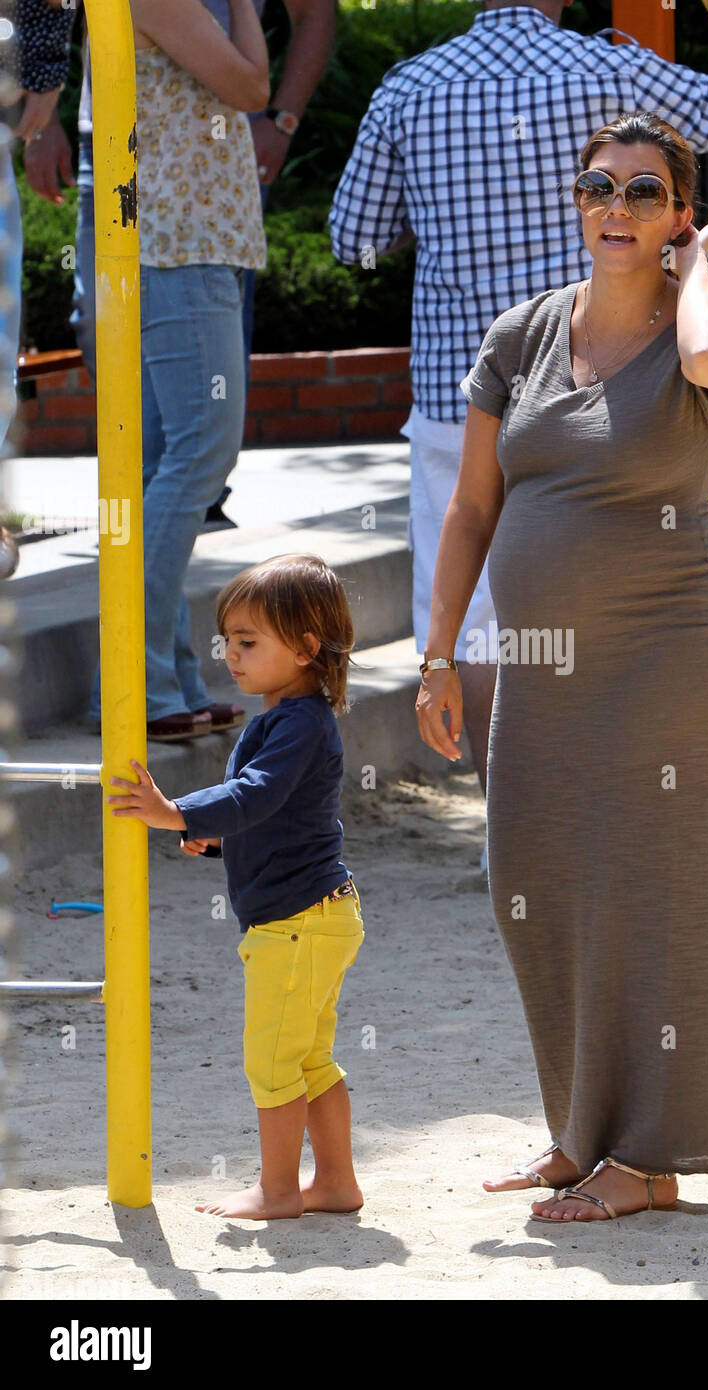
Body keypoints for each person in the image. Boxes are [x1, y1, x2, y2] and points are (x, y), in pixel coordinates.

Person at [331, 0, 708, 806]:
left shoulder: (407, 86)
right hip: (601, 391)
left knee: (478, 625)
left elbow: (354, 237)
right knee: (607, 610)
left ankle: (509, 813)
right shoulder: (612, 69)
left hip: (466, 379)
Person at [416, 112, 708, 1221]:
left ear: (675, 213)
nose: (615, 207)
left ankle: (652, 1157)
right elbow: (473, 508)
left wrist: (698, 265)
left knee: (657, 894)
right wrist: (435, 654)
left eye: (644, 193)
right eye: (598, 187)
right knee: (536, 884)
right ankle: (579, 1132)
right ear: (577, 202)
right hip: (539, 669)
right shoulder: (521, 335)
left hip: (665, 661)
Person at [107, 554, 366, 1222]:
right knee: (310, 1060)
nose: (230, 655)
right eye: (227, 640)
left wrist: (178, 812)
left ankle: (279, 1190)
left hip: (295, 922)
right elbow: (279, 812)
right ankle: (334, 1182)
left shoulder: (299, 723)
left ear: (307, 648)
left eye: (248, 642)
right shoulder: (285, 719)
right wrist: (220, 836)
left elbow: (256, 794)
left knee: (273, 1064)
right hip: (318, 915)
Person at [24, 1, 336, 529]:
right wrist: (42, 115)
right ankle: (157, 500)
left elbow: (295, 35)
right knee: (104, 325)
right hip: (117, 153)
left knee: (204, 371)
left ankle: (174, 504)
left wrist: (281, 122)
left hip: (201, 177)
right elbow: (49, 8)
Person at [72, 0, 268, 741]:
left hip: (174, 242)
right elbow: (251, 89)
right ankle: (135, 682)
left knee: (165, 464)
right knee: (199, 456)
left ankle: (162, 680)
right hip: (175, 246)